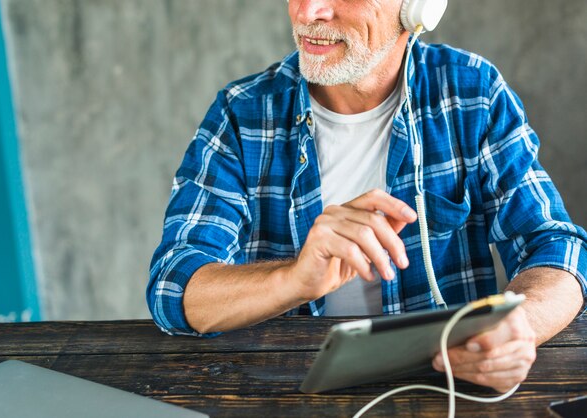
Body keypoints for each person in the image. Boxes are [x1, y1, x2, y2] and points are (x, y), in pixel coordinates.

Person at [147, 0, 586, 393]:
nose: (309, 11)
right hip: (286, 392)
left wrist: (516, 329)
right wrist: (295, 278)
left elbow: (556, 247)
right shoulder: (241, 113)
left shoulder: (472, 91)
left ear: (418, 7)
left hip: (440, 389)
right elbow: (174, 286)